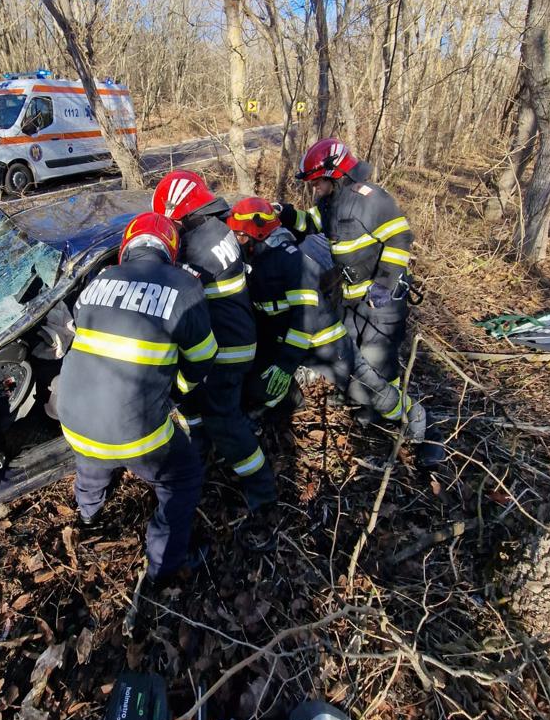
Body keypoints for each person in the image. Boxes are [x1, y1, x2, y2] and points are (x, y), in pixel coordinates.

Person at [56, 211, 218, 613]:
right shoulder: (183, 286)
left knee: (93, 455)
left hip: (72, 418)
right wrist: (177, 391)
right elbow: (203, 358)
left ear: (126, 249)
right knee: (183, 477)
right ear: (171, 251)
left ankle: (89, 516)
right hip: (135, 432)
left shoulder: (97, 282)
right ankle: (164, 568)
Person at [227, 196, 442, 467]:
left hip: (325, 345)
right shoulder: (258, 261)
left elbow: (305, 320)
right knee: (260, 383)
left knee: (369, 391)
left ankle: (420, 420)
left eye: (240, 235)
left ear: (254, 233)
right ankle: (279, 406)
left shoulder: (290, 261)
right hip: (288, 344)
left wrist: (284, 365)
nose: (237, 240)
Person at [296, 139, 445, 464]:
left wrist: (382, 287)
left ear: (335, 175)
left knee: (378, 364)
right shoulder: (332, 203)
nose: (315, 189)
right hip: (352, 299)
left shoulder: (371, 198)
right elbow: (312, 223)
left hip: (382, 302)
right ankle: (374, 405)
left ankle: (410, 420)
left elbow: (400, 237)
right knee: (352, 356)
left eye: (318, 182)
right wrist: (281, 217)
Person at [152, 171, 277, 529]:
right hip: (234, 335)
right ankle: (199, 455)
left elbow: (174, 290)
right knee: (193, 404)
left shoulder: (197, 249)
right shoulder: (217, 228)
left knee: (226, 423)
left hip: (225, 350)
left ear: (180, 211)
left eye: (173, 220)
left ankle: (262, 490)